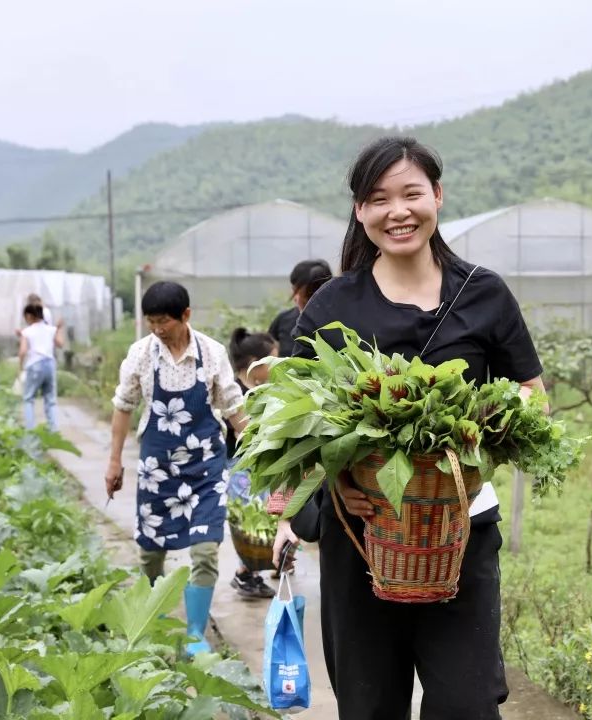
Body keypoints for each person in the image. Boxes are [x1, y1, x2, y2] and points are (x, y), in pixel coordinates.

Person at [272, 136, 545, 719]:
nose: (398, 211)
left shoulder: (484, 294)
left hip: (460, 537)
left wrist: (484, 439)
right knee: (371, 708)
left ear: (437, 197)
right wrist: (326, 490)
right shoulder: (330, 306)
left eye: (411, 194)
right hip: (360, 540)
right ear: (360, 211)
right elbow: (293, 424)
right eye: (379, 199)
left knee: (466, 706)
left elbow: (531, 396)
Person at [103, 281, 247, 656]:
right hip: (158, 469)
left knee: (205, 549)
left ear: (185, 316)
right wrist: (114, 460)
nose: (157, 329)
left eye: (163, 321)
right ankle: (148, 622)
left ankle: (195, 634)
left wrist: (260, 451)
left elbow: (233, 408)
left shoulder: (212, 354)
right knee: (150, 552)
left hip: (205, 468)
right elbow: (123, 407)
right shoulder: (140, 355)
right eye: (150, 322)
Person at [224, 328, 278, 599]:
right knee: (251, 523)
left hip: (255, 467)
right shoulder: (237, 394)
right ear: (257, 362)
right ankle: (246, 574)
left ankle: (249, 573)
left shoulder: (258, 390)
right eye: (274, 359)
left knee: (259, 521)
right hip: (241, 468)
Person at [267, 259, 334, 357]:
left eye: (307, 295)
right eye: (294, 290)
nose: (296, 298)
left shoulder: (336, 325)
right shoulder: (283, 320)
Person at [18, 303, 64, 431]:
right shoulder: (50, 329)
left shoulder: (27, 331)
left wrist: (20, 367)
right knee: (50, 400)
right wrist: (59, 329)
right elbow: (60, 344)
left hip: (34, 365)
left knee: (28, 399)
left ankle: (30, 430)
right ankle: (53, 430)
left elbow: (22, 351)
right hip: (49, 364)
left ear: (29, 316)